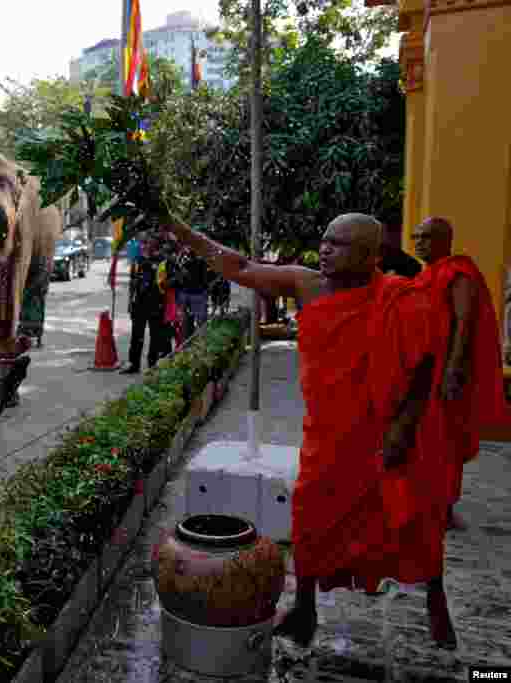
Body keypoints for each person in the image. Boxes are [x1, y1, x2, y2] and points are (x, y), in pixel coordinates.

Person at [157, 211, 457, 650]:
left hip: (388, 433)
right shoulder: (306, 284)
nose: (326, 249)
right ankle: (304, 609)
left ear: (371, 256)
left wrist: (404, 428)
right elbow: (238, 266)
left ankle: (436, 600)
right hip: (330, 435)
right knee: (311, 519)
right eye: (325, 239)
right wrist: (178, 228)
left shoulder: (400, 298)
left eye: (341, 244)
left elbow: (426, 362)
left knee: (413, 519)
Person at [410, 217, 508, 531]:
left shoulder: (459, 273)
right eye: (416, 237)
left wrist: (452, 370)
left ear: (444, 240)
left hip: (445, 370)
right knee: (423, 436)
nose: (419, 243)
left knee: (444, 440)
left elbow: (464, 324)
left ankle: (444, 508)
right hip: (424, 368)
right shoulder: (428, 275)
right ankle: (424, 501)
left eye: (426, 237)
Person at [121, 235, 169, 374]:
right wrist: (130, 302)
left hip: (156, 303)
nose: (146, 245)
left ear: (156, 245)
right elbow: (132, 282)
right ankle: (134, 364)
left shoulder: (162, 261)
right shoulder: (138, 261)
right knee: (136, 336)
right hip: (139, 304)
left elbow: (166, 283)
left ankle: (152, 364)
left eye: (149, 243)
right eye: (145, 243)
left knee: (155, 336)